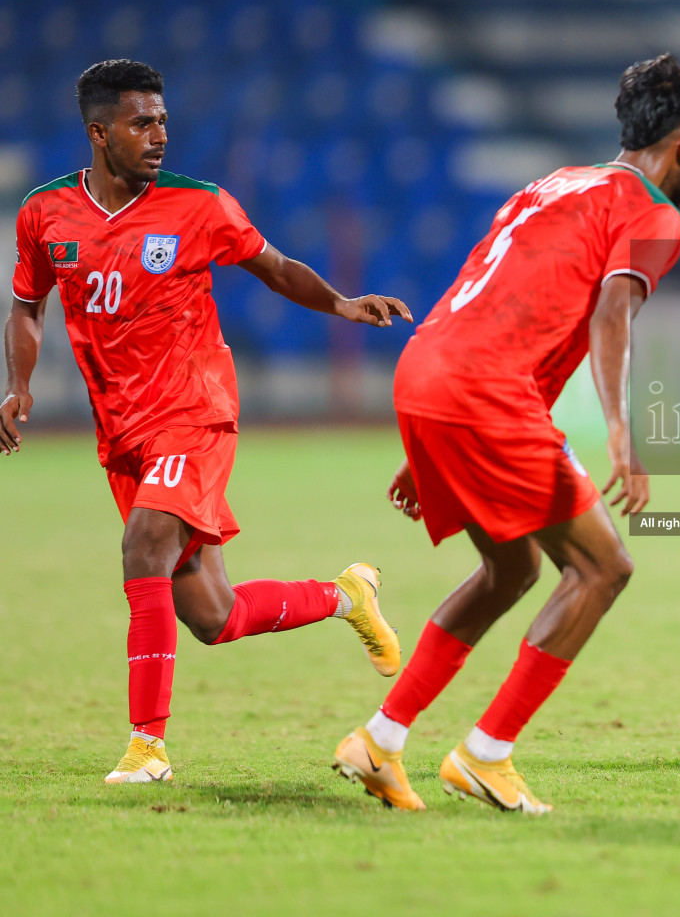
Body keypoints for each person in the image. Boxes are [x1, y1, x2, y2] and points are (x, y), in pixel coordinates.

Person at [332, 53, 680, 813]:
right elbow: (612, 313)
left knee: (509, 571)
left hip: (430, 371)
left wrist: (430, 432)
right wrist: (621, 430)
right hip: (482, 389)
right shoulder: (654, 212)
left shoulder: (550, 184)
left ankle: (380, 742)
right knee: (602, 568)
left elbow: (496, 293)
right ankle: (488, 754)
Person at [1, 59, 411, 784]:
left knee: (143, 545)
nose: (160, 134)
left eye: (163, 119)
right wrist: (19, 386)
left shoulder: (201, 206)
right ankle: (346, 595)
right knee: (212, 617)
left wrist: (342, 303)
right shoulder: (45, 212)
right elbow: (28, 305)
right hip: (121, 431)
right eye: (142, 122)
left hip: (194, 411)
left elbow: (276, 266)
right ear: (100, 133)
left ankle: (146, 747)